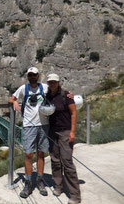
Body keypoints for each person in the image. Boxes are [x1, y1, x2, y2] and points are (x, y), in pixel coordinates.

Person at [8, 67, 49, 198]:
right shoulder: (23, 89)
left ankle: (40, 180)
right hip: (29, 126)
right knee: (28, 154)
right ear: (28, 76)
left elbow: (58, 93)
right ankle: (28, 182)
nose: (32, 77)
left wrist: (68, 95)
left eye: (34, 75)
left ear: (38, 76)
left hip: (43, 125)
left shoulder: (44, 87)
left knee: (41, 153)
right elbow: (11, 98)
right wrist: (14, 102)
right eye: (30, 75)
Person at [46, 73, 81, 204]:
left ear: (58, 82)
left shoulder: (66, 95)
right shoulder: (47, 95)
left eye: (54, 82)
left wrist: (72, 132)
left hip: (65, 132)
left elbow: (74, 113)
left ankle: (75, 195)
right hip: (52, 131)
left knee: (67, 162)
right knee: (55, 161)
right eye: (50, 82)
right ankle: (58, 186)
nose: (52, 84)